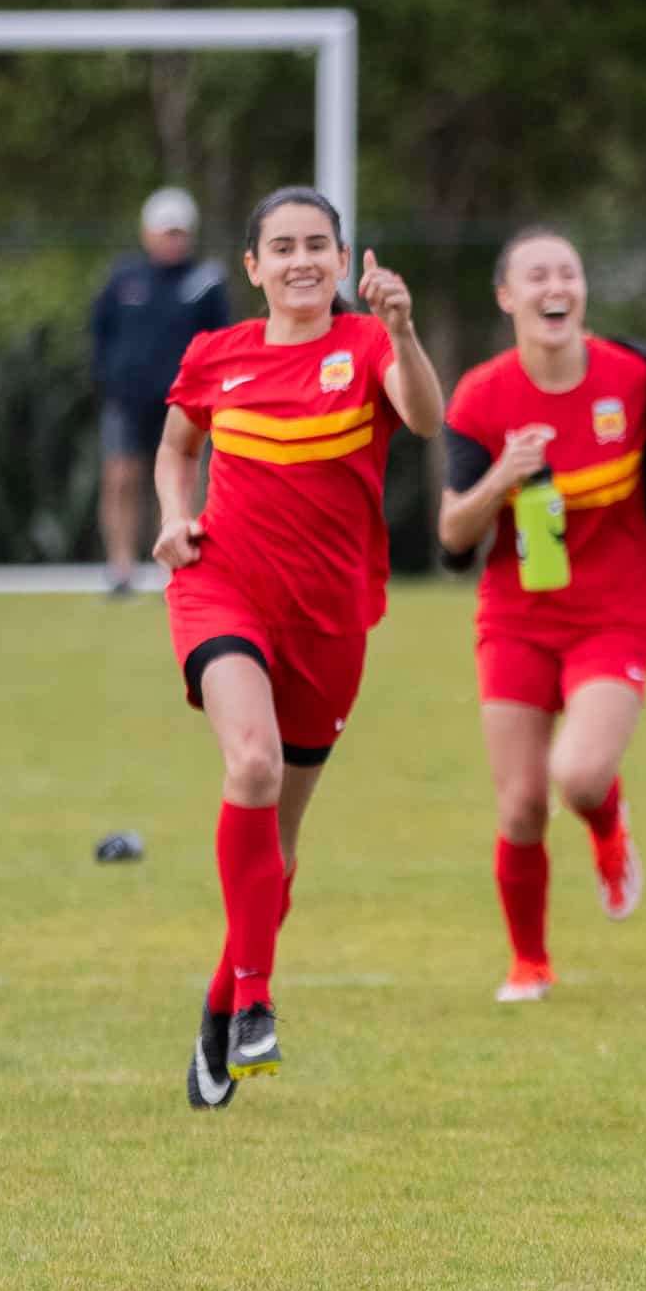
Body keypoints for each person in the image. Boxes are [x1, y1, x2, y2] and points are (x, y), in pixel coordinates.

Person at [156, 186, 445, 1108]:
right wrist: (172, 519)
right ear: (253, 267)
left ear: (341, 256)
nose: (301, 260)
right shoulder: (216, 355)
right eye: (281, 247)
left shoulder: (365, 346)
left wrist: (399, 327)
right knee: (252, 765)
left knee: (279, 848)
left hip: (330, 619)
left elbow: (428, 418)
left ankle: (218, 1002)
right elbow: (174, 450)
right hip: (223, 588)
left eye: (317, 244)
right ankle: (255, 997)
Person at [437, 228, 646, 1003]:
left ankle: (608, 827)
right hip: (516, 616)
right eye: (535, 276)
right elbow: (451, 531)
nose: (553, 287)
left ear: (582, 293)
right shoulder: (480, 396)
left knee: (578, 773)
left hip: (617, 612)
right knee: (523, 802)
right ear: (507, 297)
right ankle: (529, 962)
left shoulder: (628, 377)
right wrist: (503, 474)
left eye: (566, 272)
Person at [92, 187, 230, 597]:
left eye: (179, 232)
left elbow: (220, 340)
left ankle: (180, 565)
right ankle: (120, 569)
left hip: (186, 405)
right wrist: (110, 380)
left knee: (184, 481)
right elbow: (100, 333)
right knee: (120, 478)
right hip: (127, 400)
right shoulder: (123, 278)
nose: (173, 240)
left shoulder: (205, 282)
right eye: (165, 232)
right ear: (147, 233)